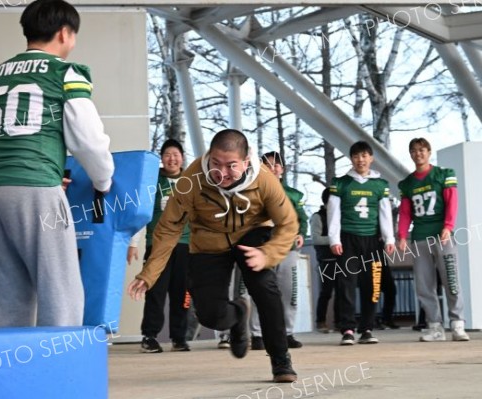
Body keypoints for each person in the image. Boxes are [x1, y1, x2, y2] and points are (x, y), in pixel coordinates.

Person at [0, 0, 114, 327]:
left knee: (7, 295)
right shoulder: (65, 72)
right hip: (35, 188)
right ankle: (59, 375)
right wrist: (103, 180)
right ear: (65, 33)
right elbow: (88, 140)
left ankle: (13, 374)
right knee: (61, 292)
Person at [128, 129, 299, 383]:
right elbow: (169, 227)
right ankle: (238, 314)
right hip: (208, 240)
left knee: (265, 287)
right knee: (210, 314)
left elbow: (288, 223)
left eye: (231, 166)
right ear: (208, 156)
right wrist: (149, 273)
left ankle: (280, 359)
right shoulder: (191, 180)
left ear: (246, 161)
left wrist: (268, 254)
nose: (222, 173)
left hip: (252, 235)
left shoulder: (264, 179)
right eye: (215, 163)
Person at [397, 137, 469, 342]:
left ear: (429, 152)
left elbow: (452, 202)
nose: (418, 154)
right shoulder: (407, 183)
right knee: (424, 284)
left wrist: (448, 226)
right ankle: (435, 326)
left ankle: (457, 324)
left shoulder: (443, 175)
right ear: (410, 154)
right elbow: (405, 212)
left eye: (422, 150)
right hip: (420, 237)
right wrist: (402, 235)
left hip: (442, 235)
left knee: (451, 280)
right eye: (414, 150)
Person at [328, 141, 395, 345]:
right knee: (346, 283)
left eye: (365, 155)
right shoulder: (340, 183)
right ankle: (348, 328)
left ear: (371, 158)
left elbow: (385, 214)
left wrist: (389, 238)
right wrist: (334, 239)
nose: (361, 160)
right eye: (356, 156)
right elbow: (333, 212)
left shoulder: (380, 185)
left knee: (372, 285)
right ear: (351, 159)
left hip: (373, 241)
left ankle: (367, 327)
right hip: (348, 239)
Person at [127, 139, 191, 353]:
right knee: (155, 290)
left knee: (182, 293)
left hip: (185, 245)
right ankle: (150, 336)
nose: (172, 158)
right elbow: (141, 213)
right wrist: (133, 243)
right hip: (157, 244)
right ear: (162, 159)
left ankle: (179, 337)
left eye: (176, 154)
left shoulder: (192, 181)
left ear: (182, 157)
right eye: (167, 155)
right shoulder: (152, 181)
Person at [249, 151, 307, 350]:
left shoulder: (293, 194)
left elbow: (302, 219)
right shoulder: (253, 192)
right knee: (261, 291)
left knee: (288, 293)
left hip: (287, 249)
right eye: (268, 165)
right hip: (262, 250)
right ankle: (257, 334)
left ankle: (287, 332)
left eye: (276, 165)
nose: (272, 168)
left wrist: (301, 233)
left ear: (282, 169)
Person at [311, 187, 336, 333]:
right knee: (326, 292)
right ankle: (320, 322)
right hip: (326, 260)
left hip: (341, 259)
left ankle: (340, 322)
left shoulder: (340, 215)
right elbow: (316, 238)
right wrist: (336, 240)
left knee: (342, 291)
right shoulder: (317, 216)